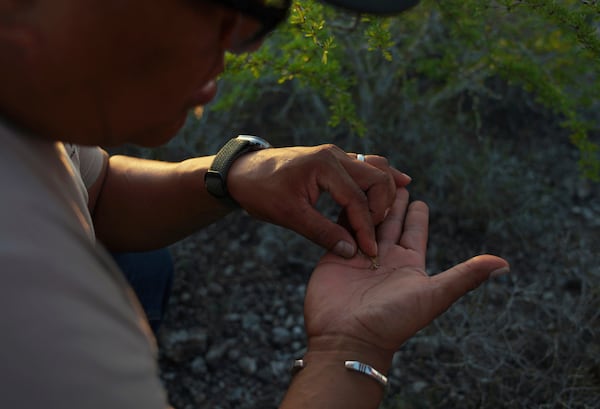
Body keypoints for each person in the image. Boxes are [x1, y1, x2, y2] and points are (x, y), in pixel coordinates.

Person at [0, 1, 510, 409]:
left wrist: (232, 173)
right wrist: (349, 350)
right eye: (220, 4)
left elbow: (95, 190)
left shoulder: (23, 100)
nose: (244, 44)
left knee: (147, 266)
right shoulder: (31, 296)